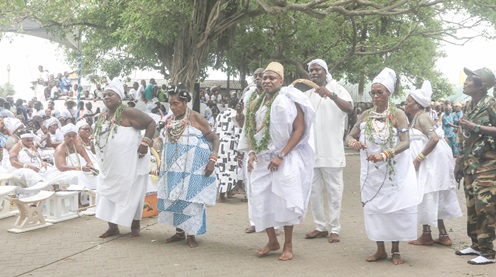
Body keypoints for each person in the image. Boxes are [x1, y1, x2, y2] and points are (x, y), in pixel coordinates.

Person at [346, 67, 419, 265]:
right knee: (373, 208)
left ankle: (395, 250)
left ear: (389, 93)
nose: (376, 96)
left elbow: (405, 142)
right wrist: (353, 143)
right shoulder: (365, 115)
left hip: (393, 171)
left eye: (380, 92)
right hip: (370, 172)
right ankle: (380, 249)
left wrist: (385, 154)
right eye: (373, 92)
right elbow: (349, 136)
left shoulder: (398, 114)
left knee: (393, 209)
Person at [246, 62, 315, 261]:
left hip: (285, 158)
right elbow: (251, 130)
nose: (267, 81)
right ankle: (272, 241)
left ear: (281, 81)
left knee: (285, 202)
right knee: (261, 201)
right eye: (264, 78)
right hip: (262, 160)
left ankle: (288, 245)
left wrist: (281, 155)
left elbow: (299, 129)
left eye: (272, 78)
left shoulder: (289, 100)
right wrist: (251, 152)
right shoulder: (256, 103)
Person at [157, 88, 220, 248]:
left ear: (185, 103)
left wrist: (212, 159)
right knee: (175, 199)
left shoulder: (195, 117)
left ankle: (191, 235)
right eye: (170, 103)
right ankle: (179, 233)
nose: (173, 107)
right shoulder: (170, 120)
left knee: (192, 201)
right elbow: (162, 139)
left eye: (176, 103)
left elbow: (214, 138)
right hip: (173, 168)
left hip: (194, 170)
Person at [94, 77, 156, 238]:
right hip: (110, 165)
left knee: (133, 194)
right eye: (105, 94)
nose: (107, 97)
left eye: (111, 94)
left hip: (131, 162)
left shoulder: (128, 112)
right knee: (107, 193)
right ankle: (112, 227)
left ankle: (135, 226)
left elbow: (151, 124)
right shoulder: (102, 116)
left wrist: (145, 143)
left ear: (120, 97)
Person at [404, 80, 462, 247]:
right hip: (429, 162)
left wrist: (418, 159)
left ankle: (427, 235)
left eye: (408, 101)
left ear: (416, 104)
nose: (406, 104)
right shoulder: (417, 117)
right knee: (431, 197)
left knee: (426, 196)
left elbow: (434, 139)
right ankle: (442, 235)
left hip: (429, 164)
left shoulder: (422, 118)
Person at [303, 59, 353, 243]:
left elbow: (349, 108)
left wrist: (331, 95)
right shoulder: (307, 94)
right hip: (312, 153)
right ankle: (320, 226)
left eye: (317, 70)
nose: (314, 73)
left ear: (325, 71)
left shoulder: (337, 88)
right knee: (314, 192)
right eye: (311, 70)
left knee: (334, 191)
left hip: (332, 152)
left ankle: (335, 228)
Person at [454, 67, 496, 265]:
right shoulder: (469, 105)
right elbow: (464, 136)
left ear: (483, 86)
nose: (466, 82)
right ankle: (476, 245)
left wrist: (477, 127)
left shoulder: (491, 104)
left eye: (471, 79)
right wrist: (459, 162)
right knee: (471, 205)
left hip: (488, 164)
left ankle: (488, 253)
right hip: (470, 163)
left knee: (484, 206)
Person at [236, 68, 264, 233]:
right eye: (256, 76)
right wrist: (239, 112)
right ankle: (254, 221)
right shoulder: (249, 95)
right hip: (250, 145)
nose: (259, 78)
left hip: (269, 147)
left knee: (269, 187)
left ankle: (273, 225)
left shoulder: (276, 97)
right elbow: (242, 124)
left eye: (262, 75)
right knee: (251, 186)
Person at [53, 123, 97, 189]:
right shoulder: (60, 149)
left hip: (79, 169)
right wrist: (80, 168)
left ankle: (93, 191)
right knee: (78, 176)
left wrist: (91, 167)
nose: (72, 138)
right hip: (64, 172)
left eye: (74, 136)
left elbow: (88, 161)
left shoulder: (78, 145)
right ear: (64, 136)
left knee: (96, 169)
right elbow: (62, 167)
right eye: (69, 136)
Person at [214, 97, 242, 202]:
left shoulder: (220, 114)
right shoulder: (236, 115)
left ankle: (225, 193)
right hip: (230, 145)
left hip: (218, 143)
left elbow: (215, 129)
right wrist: (240, 150)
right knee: (228, 171)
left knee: (220, 170)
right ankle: (222, 196)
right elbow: (238, 133)